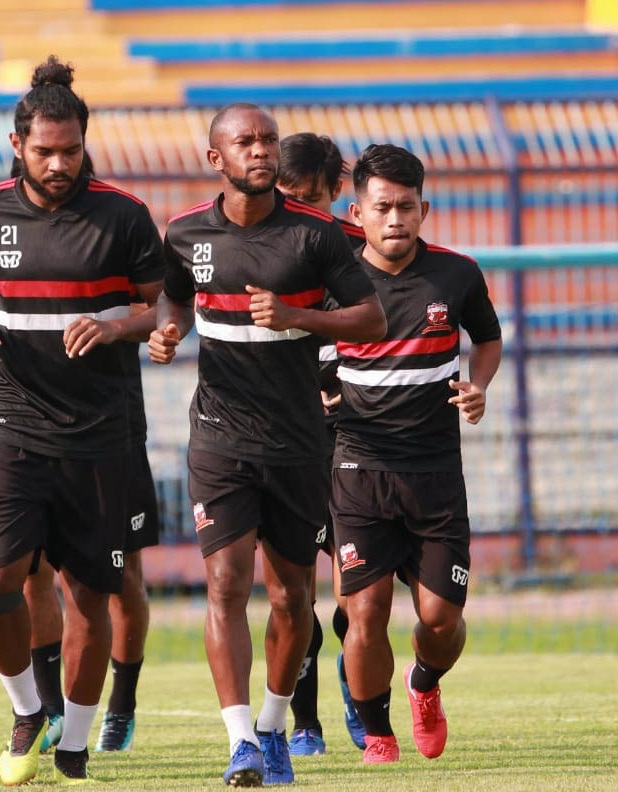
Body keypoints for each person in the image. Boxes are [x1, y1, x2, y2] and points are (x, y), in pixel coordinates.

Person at [148, 103, 386, 787]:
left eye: (268, 141)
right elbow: (171, 299)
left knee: (290, 599)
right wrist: (167, 331)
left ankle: (277, 725)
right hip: (219, 436)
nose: (260, 151)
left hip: (297, 441)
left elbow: (369, 316)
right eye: (245, 142)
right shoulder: (187, 231)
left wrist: (298, 317)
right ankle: (240, 741)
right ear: (215, 159)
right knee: (225, 583)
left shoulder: (314, 234)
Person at [0, 56, 165, 785]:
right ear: (17, 145)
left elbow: (159, 309)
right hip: (12, 416)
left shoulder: (124, 215)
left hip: (99, 430)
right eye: (45, 151)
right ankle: (24, 711)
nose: (59, 163)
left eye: (70, 150)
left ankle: (73, 741)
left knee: (89, 595)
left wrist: (114, 324)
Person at [335, 144, 501, 764]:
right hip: (358, 468)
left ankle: (423, 684)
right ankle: (376, 732)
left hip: (434, 473)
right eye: (383, 207)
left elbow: (487, 338)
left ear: (424, 208)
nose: (396, 218)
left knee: (438, 618)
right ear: (359, 212)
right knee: (366, 607)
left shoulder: (456, 274)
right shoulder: (337, 282)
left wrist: (478, 386)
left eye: (407, 206)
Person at [22, 287, 161, 756]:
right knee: (30, 569)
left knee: (121, 581)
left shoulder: (118, 222)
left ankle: (122, 704)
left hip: (111, 431)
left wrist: (129, 329)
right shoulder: (15, 227)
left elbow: (161, 306)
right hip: (30, 430)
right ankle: (49, 707)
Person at [273, 131, 368, 755]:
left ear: (337, 191)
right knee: (295, 590)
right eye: (289, 196)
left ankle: (358, 690)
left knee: (357, 588)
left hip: (361, 438)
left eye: (310, 197)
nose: (299, 208)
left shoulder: (363, 252)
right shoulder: (259, 248)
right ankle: (304, 722)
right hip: (286, 438)